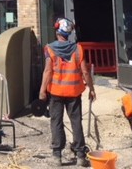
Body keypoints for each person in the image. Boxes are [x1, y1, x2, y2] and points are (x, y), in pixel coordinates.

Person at [39, 18, 95, 167]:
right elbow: (85, 72)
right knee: (76, 122)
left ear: (57, 31)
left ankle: (57, 156)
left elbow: (48, 71)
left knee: (56, 122)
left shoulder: (49, 48)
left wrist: (42, 91)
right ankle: (81, 156)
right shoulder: (78, 48)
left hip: (56, 92)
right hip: (74, 92)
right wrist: (92, 89)